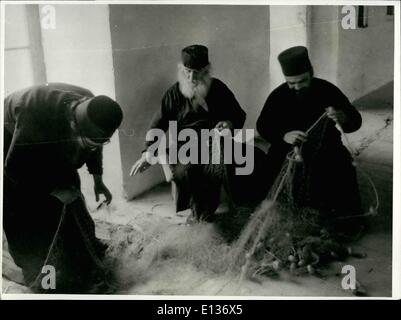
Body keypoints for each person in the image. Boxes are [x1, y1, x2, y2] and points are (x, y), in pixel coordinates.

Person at [3, 83, 123, 293]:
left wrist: (98, 180)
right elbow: (14, 169)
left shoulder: (93, 106)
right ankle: (33, 267)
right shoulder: (34, 116)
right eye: (87, 141)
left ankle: (84, 249)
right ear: (74, 126)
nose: (91, 146)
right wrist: (55, 190)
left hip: (52, 129)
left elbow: (94, 146)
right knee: (18, 204)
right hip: (10, 133)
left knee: (72, 196)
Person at [130, 44, 250, 222]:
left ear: (206, 70)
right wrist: (147, 154)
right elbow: (158, 125)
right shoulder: (173, 94)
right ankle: (200, 214)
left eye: (197, 71)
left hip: (216, 142)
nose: (192, 77)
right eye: (187, 71)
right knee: (188, 170)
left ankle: (234, 207)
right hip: (186, 147)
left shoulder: (219, 89)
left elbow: (238, 114)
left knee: (233, 163)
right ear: (182, 69)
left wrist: (229, 123)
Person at [256, 46, 363, 223]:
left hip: (326, 147)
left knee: (341, 167)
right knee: (273, 168)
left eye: (301, 81)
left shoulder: (328, 90)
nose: (297, 87)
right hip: (288, 149)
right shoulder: (278, 96)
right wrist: (284, 135)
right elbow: (263, 126)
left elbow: (355, 121)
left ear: (310, 73)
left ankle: (339, 218)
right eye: (291, 83)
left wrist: (342, 116)